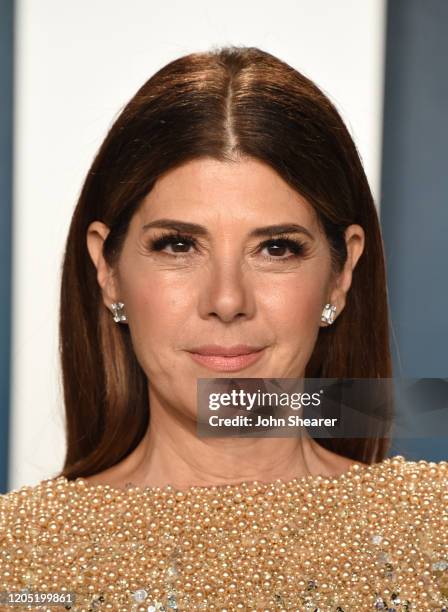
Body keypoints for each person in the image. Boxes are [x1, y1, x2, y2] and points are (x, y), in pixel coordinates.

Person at [1, 46, 447, 612]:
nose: (227, 300)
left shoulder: (434, 535)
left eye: (276, 248)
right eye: (179, 245)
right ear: (107, 270)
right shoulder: (18, 556)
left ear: (341, 273)